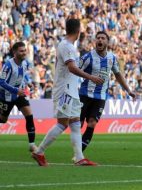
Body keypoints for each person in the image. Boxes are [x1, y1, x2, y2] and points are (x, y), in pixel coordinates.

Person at [31, 19, 104, 167]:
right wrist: (90, 77)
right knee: (62, 124)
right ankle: (39, 152)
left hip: (71, 90)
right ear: (77, 31)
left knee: (76, 123)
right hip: (65, 90)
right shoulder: (67, 46)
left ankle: (79, 157)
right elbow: (71, 67)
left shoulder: (67, 45)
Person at [79, 31, 136, 152]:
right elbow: (75, 70)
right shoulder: (87, 57)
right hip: (84, 95)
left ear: (107, 41)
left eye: (103, 38)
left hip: (100, 97)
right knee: (77, 125)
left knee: (92, 123)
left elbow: (118, 75)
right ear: (95, 41)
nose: (100, 40)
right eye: (98, 38)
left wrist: (128, 90)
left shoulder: (112, 58)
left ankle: (79, 154)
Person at [0, 42, 37, 152]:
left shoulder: (24, 63)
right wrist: (16, 90)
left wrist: (28, 82)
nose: (24, 53)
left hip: (19, 95)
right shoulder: (8, 65)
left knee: (29, 115)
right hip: (6, 96)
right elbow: (1, 82)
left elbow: (24, 74)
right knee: (3, 119)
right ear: (14, 52)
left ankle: (32, 144)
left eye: (24, 50)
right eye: (21, 51)